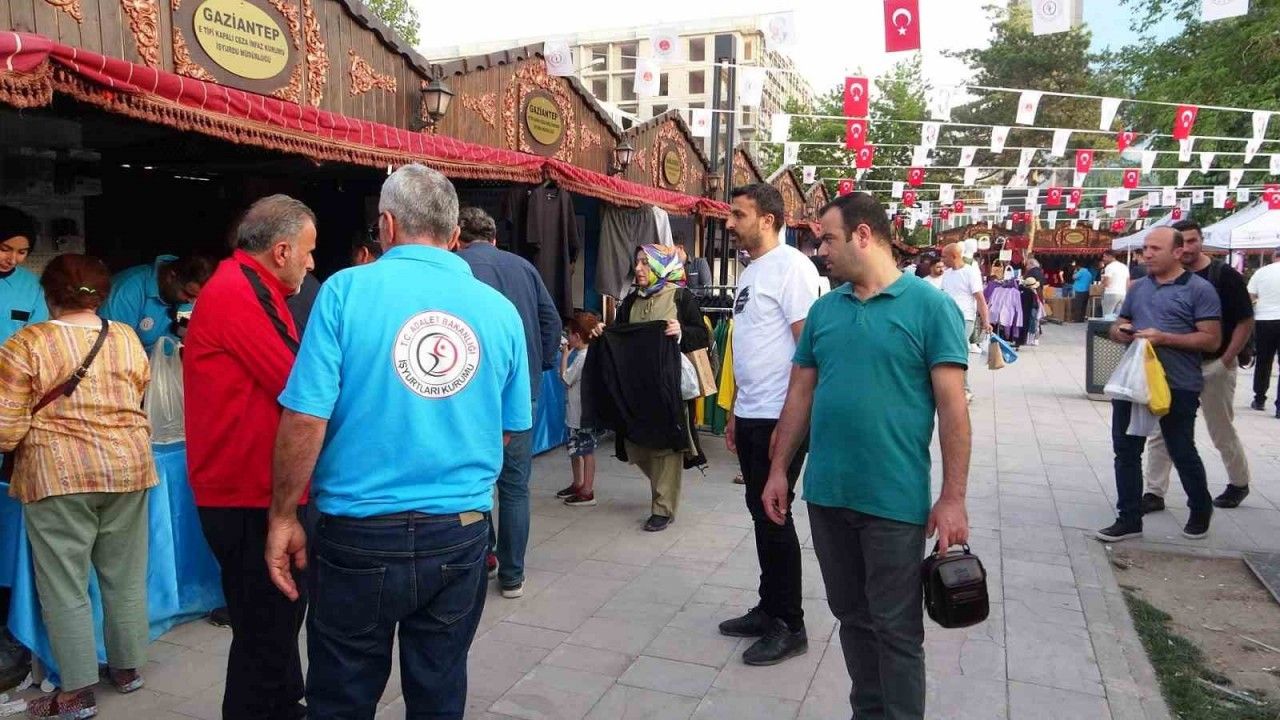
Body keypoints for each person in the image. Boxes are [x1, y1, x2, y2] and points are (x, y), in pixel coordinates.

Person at [266, 165, 530, 719]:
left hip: (358, 532)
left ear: (386, 225)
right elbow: (509, 429)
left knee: (342, 694)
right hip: (460, 531)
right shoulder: (499, 311)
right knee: (439, 688)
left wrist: (283, 514)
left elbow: (306, 418)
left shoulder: (344, 292)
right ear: (453, 235)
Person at [764, 193, 971, 719]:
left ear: (863, 235)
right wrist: (779, 469)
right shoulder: (824, 311)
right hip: (828, 495)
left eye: (828, 239)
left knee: (896, 631)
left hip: (893, 501)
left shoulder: (931, 308)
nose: (821, 251)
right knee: (852, 620)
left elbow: (953, 410)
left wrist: (952, 498)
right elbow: (800, 395)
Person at [0, 255, 155, 719]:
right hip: (128, 468)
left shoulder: (26, 343)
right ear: (102, 295)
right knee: (125, 576)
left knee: (64, 584)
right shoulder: (126, 336)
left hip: (59, 474)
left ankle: (76, 692)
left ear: (48, 294)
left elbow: (6, 428)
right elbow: (139, 391)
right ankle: (127, 670)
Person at [184, 195, 316, 720]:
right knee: (265, 626)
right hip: (246, 492)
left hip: (250, 486)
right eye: (308, 251)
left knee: (274, 621)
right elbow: (299, 385)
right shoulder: (240, 291)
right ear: (281, 251)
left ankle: (283, 705)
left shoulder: (250, 286)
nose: (311, 263)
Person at [717, 184, 820, 666]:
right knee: (760, 513)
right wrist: (735, 410)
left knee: (775, 514)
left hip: (781, 415)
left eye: (739, 215)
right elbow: (751, 346)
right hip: (753, 411)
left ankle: (790, 624)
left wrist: (790, 422)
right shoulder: (752, 270)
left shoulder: (793, 268)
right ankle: (769, 607)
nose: (729, 223)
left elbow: (808, 352)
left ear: (769, 219)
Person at [456, 205, 561, 599]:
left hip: (469, 394)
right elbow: (551, 321)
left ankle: (484, 557)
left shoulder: (456, 268)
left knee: (474, 480)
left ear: (457, 238)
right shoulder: (524, 268)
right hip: (520, 393)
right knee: (515, 487)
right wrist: (539, 365)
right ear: (495, 238)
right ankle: (513, 575)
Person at [1097, 227, 1221, 543]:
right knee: (1126, 450)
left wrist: (1164, 338)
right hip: (1134, 383)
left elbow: (1211, 340)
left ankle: (1200, 508)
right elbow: (1118, 324)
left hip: (1178, 384)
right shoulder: (1138, 288)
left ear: (1178, 252)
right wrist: (1121, 331)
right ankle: (1129, 518)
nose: (1147, 254)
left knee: (1180, 448)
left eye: (1155, 248)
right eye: (1145, 248)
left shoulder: (1200, 290)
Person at [1143, 220, 1253, 511]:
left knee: (1219, 426)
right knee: (1162, 430)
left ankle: (1238, 482)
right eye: (1182, 242)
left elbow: (1245, 320)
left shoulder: (1223, 275)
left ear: (1201, 241)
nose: (1187, 248)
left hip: (1214, 364)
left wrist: (1226, 360)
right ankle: (1154, 491)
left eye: (1193, 241)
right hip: (1175, 366)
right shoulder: (1166, 276)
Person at [608, 245, 710, 532]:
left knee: (666, 445)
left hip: (668, 388)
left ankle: (663, 507)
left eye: (645, 263)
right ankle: (664, 487)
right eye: (637, 263)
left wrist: (681, 332)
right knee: (637, 445)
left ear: (661, 266)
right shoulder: (631, 301)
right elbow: (618, 335)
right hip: (637, 388)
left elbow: (703, 336)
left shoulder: (680, 297)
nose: (638, 268)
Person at [0, 207, 46, 684]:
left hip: (13, 412)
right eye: (4, 248)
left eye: (20, 251)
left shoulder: (29, 287)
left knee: (9, 519)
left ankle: (9, 620)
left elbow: (38, 343)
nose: (11, 258)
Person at [100, 254, 215, 352]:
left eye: (199, 298)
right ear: (171, 277)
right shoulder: (126, 293)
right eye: (188, 294)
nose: (192, 302)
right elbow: (112, 352)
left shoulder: (189, 295)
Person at [557, 311, 601, 507]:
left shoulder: (582, 358)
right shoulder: (589, 354)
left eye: (569, 333)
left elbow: (565, 379)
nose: (567, 337)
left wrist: (564, 356)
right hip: (580, 413)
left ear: (577, 336)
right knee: (576, 450)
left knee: (585, 451)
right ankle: (578, 483)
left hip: (580, 415)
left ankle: (587, 490)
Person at [940, 243, 992, 401]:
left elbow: (980, 299)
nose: (942, 260)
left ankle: (965, 389)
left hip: (965, 318)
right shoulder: (947, 274)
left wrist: (986, 322)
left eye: (944, 256)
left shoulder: (970, 272)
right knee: (949, 352)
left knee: (959, 351)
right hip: (947, 318)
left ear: (954, 256)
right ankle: (954, 386)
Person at [1247, 247, 1280, 416]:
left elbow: (1250, 296)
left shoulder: (1261, 272)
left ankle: (1259, 398)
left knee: (1263, 361)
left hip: (1264, 320)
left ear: (1274, 256)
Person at [1101, 249, 1129, 317]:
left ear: (1110, 256)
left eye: (1105, 256)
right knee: (1117, 317)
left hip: (1111, 293)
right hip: (1122, 294)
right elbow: (1127, 282)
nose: (1103, 259)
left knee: (1107, 316)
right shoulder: (1124, 266)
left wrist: (1103, 282)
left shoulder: (1109, 267)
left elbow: (1107, 282)